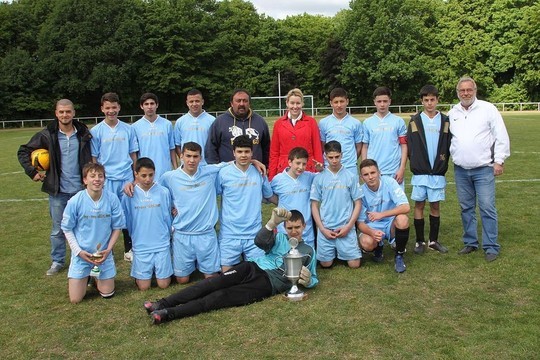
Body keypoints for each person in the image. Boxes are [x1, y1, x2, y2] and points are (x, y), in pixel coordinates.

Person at [143, 208, 318, 325]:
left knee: (219, 297)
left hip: (267, 284)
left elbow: (314, 278)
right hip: (252, 267)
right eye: (289, 227)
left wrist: (309, 281)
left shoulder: (308, 251)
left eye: (297, 227)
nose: (293, 231)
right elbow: (259, 241)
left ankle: (168, 313)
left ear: (304, 226)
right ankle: (161, 303)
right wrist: (271, 224)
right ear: (285, 227)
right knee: (211, 283)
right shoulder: (279, 238)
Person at [17, 99, 92, 276]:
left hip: (81, 189)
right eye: (61, 112)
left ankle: (84, 257)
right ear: (56, 113)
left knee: (84, 226)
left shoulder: (84, 133)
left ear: (74, 113)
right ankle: (58, 261)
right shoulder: (46, 135)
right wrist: (32, 172)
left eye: (68, 111)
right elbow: (23, 151)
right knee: (58, 228)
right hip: (58, 190)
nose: (65, 115)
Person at [448, 76, 510, 262]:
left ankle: (491, 246)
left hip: (483, 169)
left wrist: (499, 160)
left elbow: (501, 135)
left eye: (469, 90)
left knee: (487, 207)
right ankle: (470, 242)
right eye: (462, 90)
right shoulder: (453, 112)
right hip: (460, 169)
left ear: (475, 91)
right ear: (458, 92)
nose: (465, 93)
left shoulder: (487, 109)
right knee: (466, 207)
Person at [61, 163, 126, 303]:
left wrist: (108, 250)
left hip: (103, 256)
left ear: (104, 179)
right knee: (75, 299)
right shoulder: (75, 201)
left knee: (107, 294)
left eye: (100, 176)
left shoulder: (112, 199)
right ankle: (88, 275)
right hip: (82, 256)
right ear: (85, 180)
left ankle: (97, 277)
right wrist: (78, 251)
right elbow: (67, 228)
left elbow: (117, 227)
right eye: (92, 176)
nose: (97, 179)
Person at [90, 92, 138, 261]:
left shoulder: (128, 129)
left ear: (119, 107)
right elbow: (94, 158)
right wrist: (98, 178)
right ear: (102, 109)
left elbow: (133, 155)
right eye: (107, 107)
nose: (111, 110)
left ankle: (129, 249)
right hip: (107, 180)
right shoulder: (96, 131)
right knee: (104, 215)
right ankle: (102, 249)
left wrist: (135, 177)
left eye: (114, 107)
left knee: (127, 215)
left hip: (125, 179)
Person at [217, 135, 274, 272]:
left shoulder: (260, 172)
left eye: (247, 152)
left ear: (252, 153)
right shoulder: (223, 173)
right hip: (230, 234)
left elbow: (270, 197)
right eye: (240, 152)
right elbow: (210, 195)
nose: (243, 155)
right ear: (234, 153)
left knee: (259, 273)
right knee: (226, 274)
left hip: (253, 233)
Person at [407, 85, 451, 255]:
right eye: (426, 100)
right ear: (422, 101)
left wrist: (442, 162)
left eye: (432, 100)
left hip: (437, 172)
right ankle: (419, 241)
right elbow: (410, 146)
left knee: (435, 205)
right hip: (421, 173)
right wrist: (417, 162)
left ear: (437, 100)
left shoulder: (445, 120)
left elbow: (448, 144)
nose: (430, 103)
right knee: (419, 205)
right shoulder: (415, 120)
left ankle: (433, 241)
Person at [121, 158, 173, 290]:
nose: (147, 179)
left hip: (161, 244)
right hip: (141, 244)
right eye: (143, 175)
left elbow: (168, 216)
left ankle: (158, 271)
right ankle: (145, 273)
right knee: (144, 287)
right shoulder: (129, 194)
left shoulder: (163, 192)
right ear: (135, 174)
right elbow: (126, 220)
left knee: (163, 285)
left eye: (151, 175)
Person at [311, 141, 362, 268]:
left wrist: (349, 226)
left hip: (345, 227)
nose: (334, 160)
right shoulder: (319, 177)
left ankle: (345, 249)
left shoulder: (350, 176)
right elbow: (314, 205)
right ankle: (333, 251)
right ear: (325, 156)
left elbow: (358, 203)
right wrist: (322, 229)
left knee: (354, 264)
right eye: (330, 157)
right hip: (326, 228)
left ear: (342, 155)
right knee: (325, 264)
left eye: (337, 157)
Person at [356, 159, 410, 273]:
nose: (370, 177)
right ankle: (377, 247)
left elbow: (406, 207)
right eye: (366, 174)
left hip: (390, 223)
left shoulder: (390, 182)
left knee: (403, 219)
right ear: (361, 177)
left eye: (373, 173)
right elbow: (359, 223)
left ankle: (399, 255)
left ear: (379, 172)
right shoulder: (360, 192)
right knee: (366, 243)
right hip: (372, 226)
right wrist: (372, 233)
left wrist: (382, 214)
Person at [205, 88, 271, 166]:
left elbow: (267, 148)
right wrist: (216, 169)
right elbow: (211, 148)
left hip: (254, 172)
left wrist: (266, 166)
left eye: (245, 101)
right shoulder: (220, 122)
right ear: (232, 103)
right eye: (238, 101)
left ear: (249, 103)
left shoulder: (260, 121)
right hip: (228, 173)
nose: (242, 104)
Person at [268, 88, 323, 180]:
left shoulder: (311, 122)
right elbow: (274, 152)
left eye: (298, 103)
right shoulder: (279, 123)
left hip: (307, 169)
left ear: (302, 103)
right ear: (287, 103)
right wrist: (272, 177)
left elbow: (317, 148)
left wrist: (319, 173)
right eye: (292, 103)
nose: (295, 106)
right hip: (284, 169)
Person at [271, 147, 320, 248]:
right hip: (285, 229)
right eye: (298, 163)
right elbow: (268, 195)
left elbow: (324, 177)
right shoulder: (278, 180)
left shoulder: (309, 177)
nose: (301, 167)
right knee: (285, 261)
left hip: (306, 229)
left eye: (304, 164)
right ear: (290, 162)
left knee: (307, 260)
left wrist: (322, 170)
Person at [362, 86, 407, 187]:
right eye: (379, 101)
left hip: (394, 172)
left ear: (390, 101)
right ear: (374, 102)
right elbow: (365, 147)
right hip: (373, 172)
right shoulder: (367, 123)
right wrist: (364, 169)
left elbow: (404, 145)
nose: (382, 104)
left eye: (385, 101)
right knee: (375, 202)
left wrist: (402, 168)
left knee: (397, 203)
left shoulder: (398, 121)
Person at [318, 88, 363, 177]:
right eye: (336, 102)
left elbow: (358, 147)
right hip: (330, 167)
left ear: (347, 101)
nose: (339, 105)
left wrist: (351, 160)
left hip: (350, 167)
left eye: (342, 101)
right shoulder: (323, 122)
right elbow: (323, 145)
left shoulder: (355, 123)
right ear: (331, 103)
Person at [132, 93, 177, 180]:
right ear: (142, 106)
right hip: (145, 174)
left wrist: (175, 169)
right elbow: (135, 154)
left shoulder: (167, 124)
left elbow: (172, 148)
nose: (149, 107)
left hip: (165, 171)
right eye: (146, 104)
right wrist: (136, 175)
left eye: (152, 103)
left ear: (157, 105)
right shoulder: (135, 127)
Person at [174, 89, 215, 165]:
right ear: (187, 103)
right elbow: (177, 145)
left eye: (197, 101)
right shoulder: (180, 121)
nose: (194, 104)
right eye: (191, 101)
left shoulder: (212, 120)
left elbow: (216, 144)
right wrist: (184, 160)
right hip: (187, 166)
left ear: (202, 102)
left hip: (206, 165)